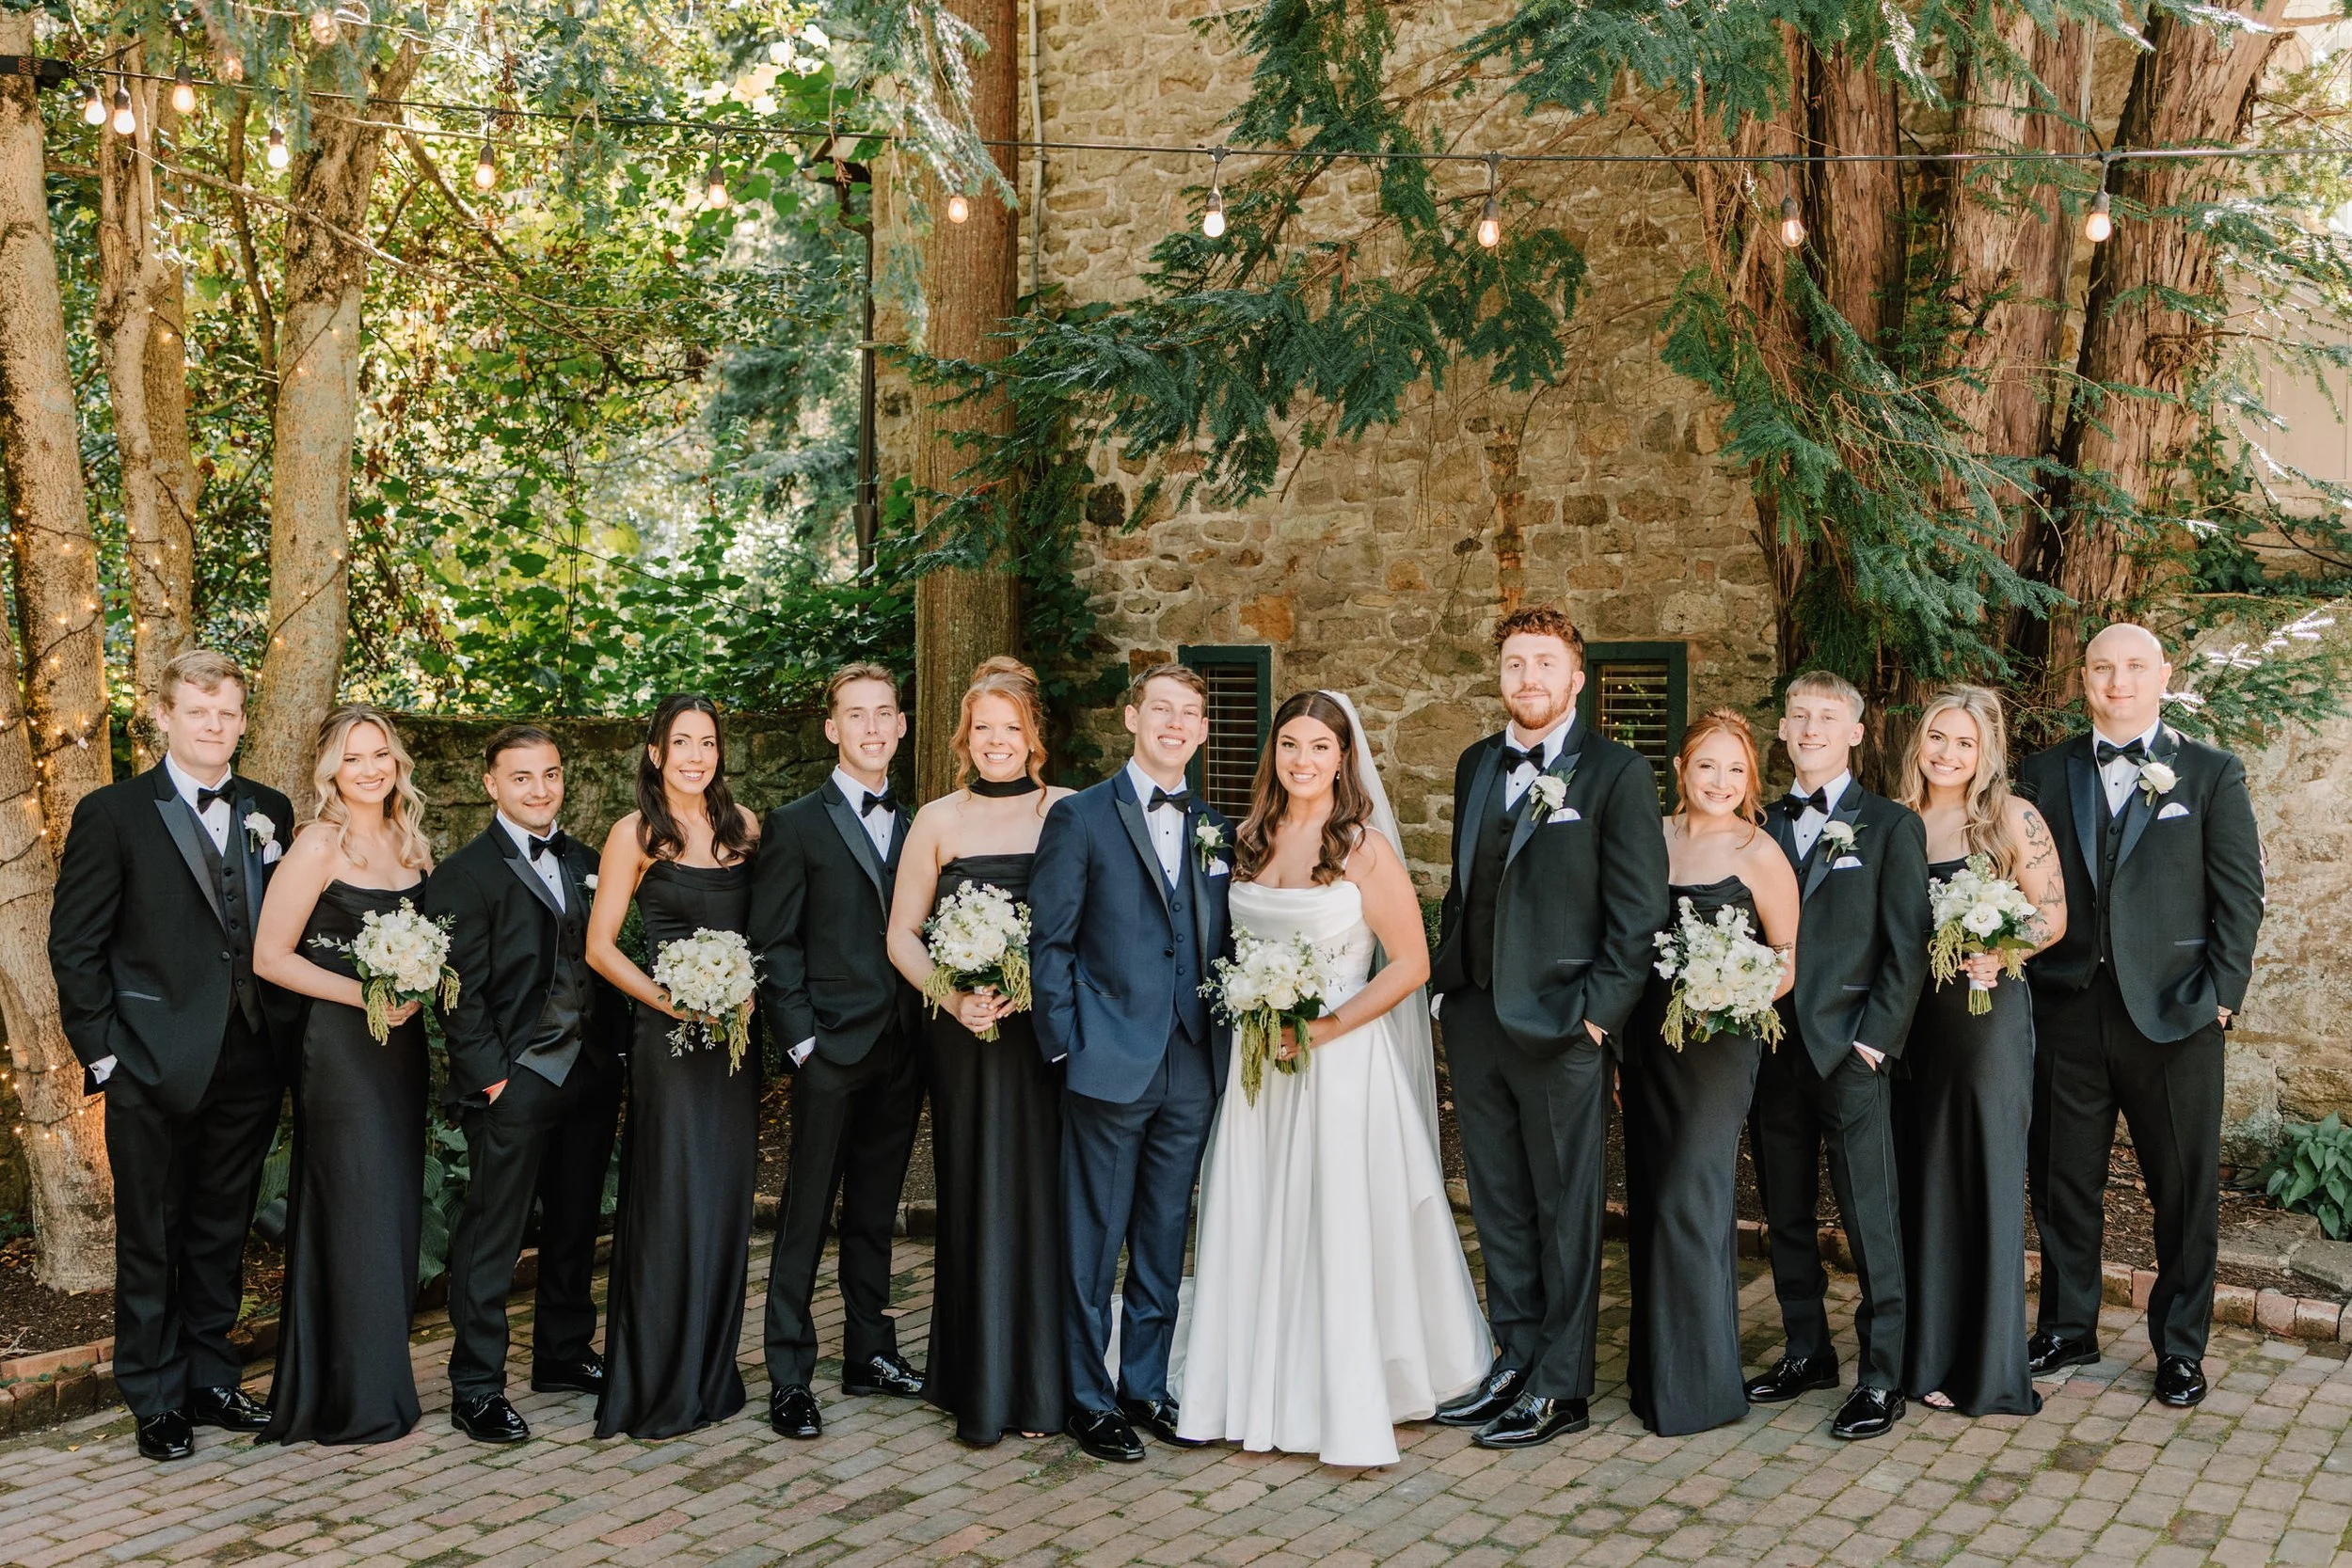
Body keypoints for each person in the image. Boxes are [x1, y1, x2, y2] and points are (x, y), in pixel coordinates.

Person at [1174, 689, 1490, 1466]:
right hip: (1262, 1072)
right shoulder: (1249, 837)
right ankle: (1248, 1377)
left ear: (1343, 757)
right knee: (1259, 1209)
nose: (1302, 760)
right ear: (1272, 752)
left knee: (1335, 1219)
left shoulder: (1364, 848)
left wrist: (1323, 1027)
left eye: (1319, 746)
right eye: (1290, 744)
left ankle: (1340, 1388)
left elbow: (1412, 965)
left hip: (1339, 1067)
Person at [1427, 605, 1669, 1449]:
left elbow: (1636, 914)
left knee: (1565, 1208)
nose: (1528, 679)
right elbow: (1465, 886)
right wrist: (1446, 983)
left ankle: (1562, 1386)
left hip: (1566, 1027)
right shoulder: (1473, 764)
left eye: (1545, 664)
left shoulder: (1617, 774)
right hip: (1476, 1017)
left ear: (1576, 677)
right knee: (1497, 1202)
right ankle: (1516, 1357)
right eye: (1514, 664)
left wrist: (1598, 1020)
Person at [48, 650, 299, 1461]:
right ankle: (155, 1396)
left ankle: (211, 1375)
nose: (215, 726)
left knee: (221, 1229)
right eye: (199, 712)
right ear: (163, 716)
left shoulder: (271, 808)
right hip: (150, 1064)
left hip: (251, 1061)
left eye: (227, 713)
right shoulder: (113, 812)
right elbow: (75, 946)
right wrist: (106, 1056)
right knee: (151, 1234)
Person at [2018, 626, 2265, 1408]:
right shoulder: (2043, 771)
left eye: (2133, 667)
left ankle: (2181, 1348)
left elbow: (2240, 896)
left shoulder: (2213, 772)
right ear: (2083, 677)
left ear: (2165, 675)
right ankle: (2065, 1327)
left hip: (2177, 1013)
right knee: (2062, 1179)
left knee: (2184, 1188)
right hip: (2066, 1009)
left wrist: (2221, 997)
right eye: (2101, 667)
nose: (2117, 681)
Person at [1029, 662, 1234, 1464]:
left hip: (1191, 1063)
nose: (1174, 723)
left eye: (1189, 712)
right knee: (1094, 1238)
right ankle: (1087, 1395)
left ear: (1203, 730)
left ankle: (1144, 1383)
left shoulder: (1214, 823)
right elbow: (1051, 943)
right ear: (1131, 717)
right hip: (1107, 1062)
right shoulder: (1081, 817)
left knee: (1162, 1234)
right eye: (1161, 709)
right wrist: (1068, 1043)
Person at [887, 657, 1074, 1446]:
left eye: (1012, 727)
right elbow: (900, 932)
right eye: (984, 728)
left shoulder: (1068, 810)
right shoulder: (937, 818)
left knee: (1042, 1193)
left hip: (1040, 1034)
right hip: (961, 1033)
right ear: (966, 737)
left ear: (1034, 738)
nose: (998, 740)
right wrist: (952, 994)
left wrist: (1034, 983)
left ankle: (1039, 1383)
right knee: (971, 1188)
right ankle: (974, 1379)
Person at [427, 725, 628, 1444]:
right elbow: (459, 993)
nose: (540, 789)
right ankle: (476, 1386)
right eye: (522, 777)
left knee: (576, 1224)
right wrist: (493, 1082)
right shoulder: (464, 873)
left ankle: (564, 1354)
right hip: (513, 1082)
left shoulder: (588, 858)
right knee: (493, 1235)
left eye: (550, 774)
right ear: (492, 783)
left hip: (590, 1073)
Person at [1745, 672, 1930, 1442]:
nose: (1811, 728)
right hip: (1770, 1051)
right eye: (1799, 716)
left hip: (1852, 1054)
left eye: (1827, 717)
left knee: (1871, 1220)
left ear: (1857, 732)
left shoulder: (1888, 825)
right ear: (1783, 731)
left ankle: (1882, 1374)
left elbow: (1907, 944)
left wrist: (1872, 1043)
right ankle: (1806, 1349)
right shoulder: (1753, 824)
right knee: (1783, 1214)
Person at [751, 665, 927, 1441]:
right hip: (828, 1048)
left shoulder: (924, 821)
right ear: (832, 729)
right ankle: (789, 1373)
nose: (871, 727)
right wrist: (801, 1041)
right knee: (805, 1213)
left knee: (876, 1212)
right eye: (855, 715)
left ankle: (870, 1351)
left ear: (901, 726)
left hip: (903, 1045)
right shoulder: (795, 824)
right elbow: (774, 941)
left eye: (883, 713)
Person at [252, 705, 436, 1445]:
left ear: (397, 765)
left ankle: (381, 1377)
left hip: (402, 1051)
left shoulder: (413, 842)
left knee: (391, 1210)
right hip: (342, 1051)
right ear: (332, 768)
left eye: (381, 755)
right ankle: (347, 1395)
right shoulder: (317, 844)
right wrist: (368, 994)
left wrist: (419, 984)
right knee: (354, 1205)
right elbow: (272, 956)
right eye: (354, 757)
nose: (369, 769)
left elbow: (431, 941)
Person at [587, 695, 762, 1439]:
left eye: (709, 742)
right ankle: (657, 1376)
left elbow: (770, 930)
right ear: (655, 751)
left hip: (735, 1043)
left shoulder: (746, 827)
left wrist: (743, 994)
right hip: (670, 1040)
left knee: (725, 1199)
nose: (696, 754)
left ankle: (711, 1370)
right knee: (669, 1197)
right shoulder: (633, 834)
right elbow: (601, 946)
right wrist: (670, 1000)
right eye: (681, 742)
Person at [1891, 686, 2065, 1418]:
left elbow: (2054, 915)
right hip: (1911, 1029)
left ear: (1985, 750)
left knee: (1984, 1177)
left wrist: (2004, 947)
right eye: (1938, 738)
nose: (1949, 754)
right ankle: (1925, 1356)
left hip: (1985, 1018)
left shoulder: (2012, 817)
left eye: (1964, 742)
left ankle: (1986, 1366)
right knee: (1922, 1180)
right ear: (1919, 742)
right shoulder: (1897, 821)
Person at [1623, 710, 1797, 1437]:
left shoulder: (1759, 851)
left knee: (1691, 1197)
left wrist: (1736, 991)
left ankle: (1701, 1387)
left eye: (1735, 770)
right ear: (1680, 768)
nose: (1720, 782)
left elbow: (1788, 958)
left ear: (1750, 779)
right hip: (1647, 1039)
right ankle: (1656, 1376)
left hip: (1720, 1044)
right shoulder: (1647, 838)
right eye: (1707, 766)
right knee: (1652, 1193)